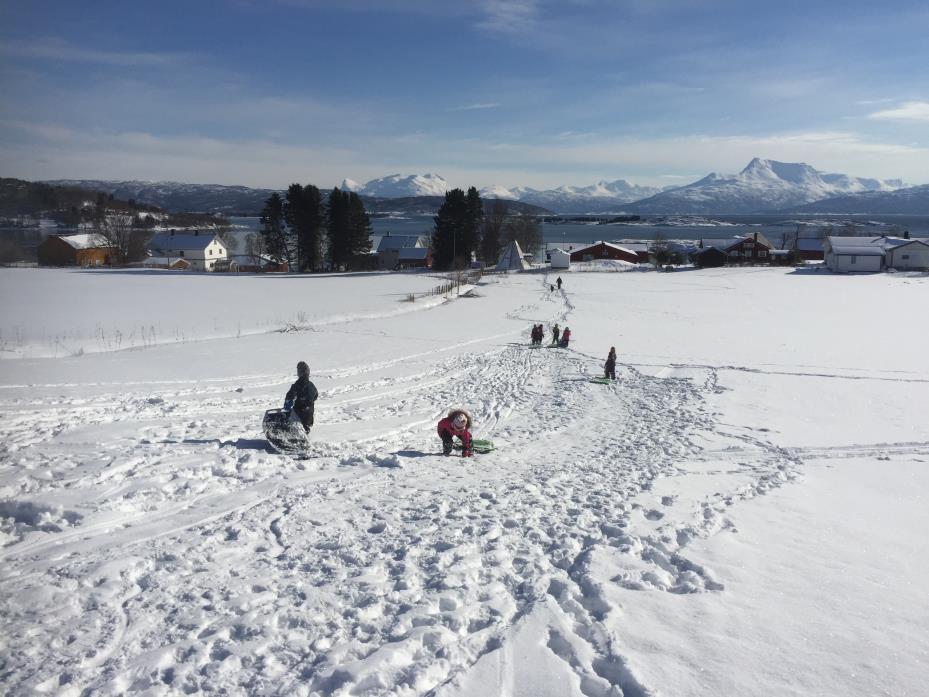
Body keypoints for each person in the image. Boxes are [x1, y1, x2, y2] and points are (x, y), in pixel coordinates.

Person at [284, 361, 319, 433]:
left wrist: (288, 401)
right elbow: (316, 395)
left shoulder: (299, 384)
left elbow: (290, 394)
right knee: (304, 426)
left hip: (301, 410)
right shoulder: (310, 384)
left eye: (299, 371)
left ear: (300, 372)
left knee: (293, 422)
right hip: (308, 411)